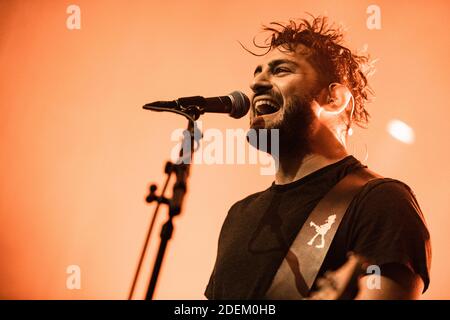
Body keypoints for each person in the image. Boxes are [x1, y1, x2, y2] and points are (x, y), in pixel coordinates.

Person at [205, 16, 431, 300]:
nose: (256, 83)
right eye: (258, 72)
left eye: (281, 70)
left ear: (334, 99)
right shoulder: (238, 215)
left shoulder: (380, 201)